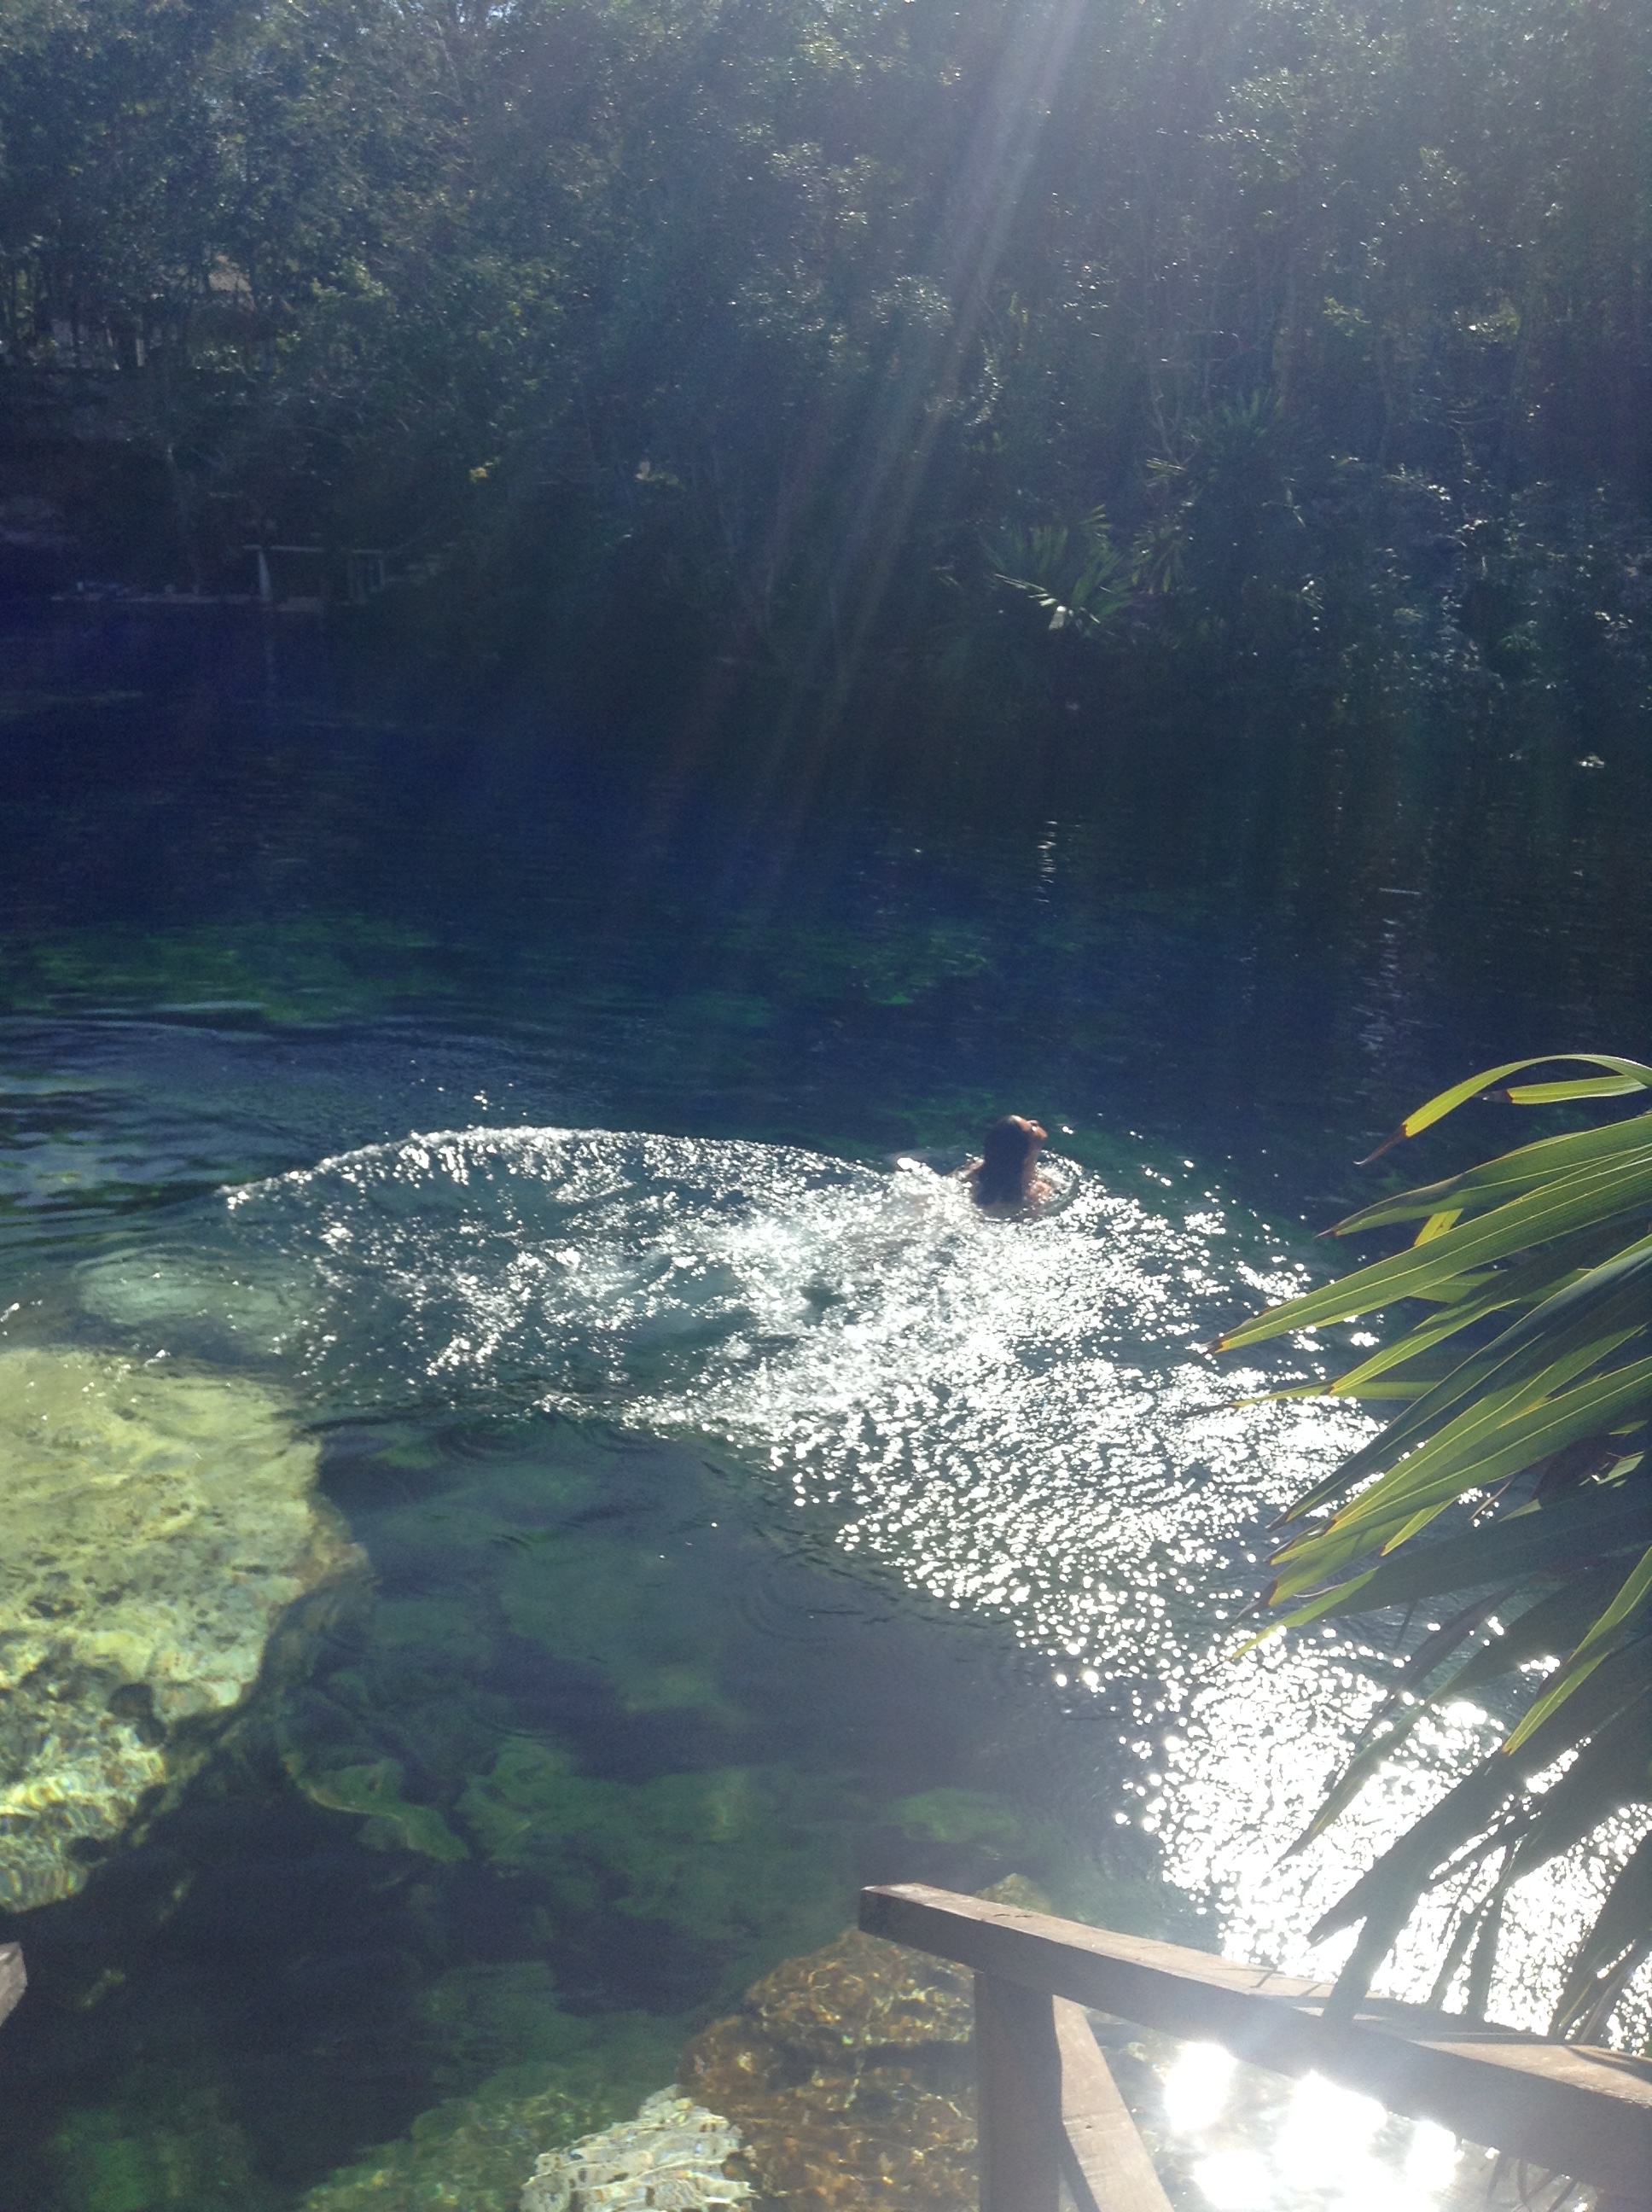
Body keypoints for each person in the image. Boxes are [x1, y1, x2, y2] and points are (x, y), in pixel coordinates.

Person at [960, 1115, 1053, 1214]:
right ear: (1026, 1155)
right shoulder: (1038, 1192)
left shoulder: (976, 1170)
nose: (1035, 1122)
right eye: (1031, 1131)